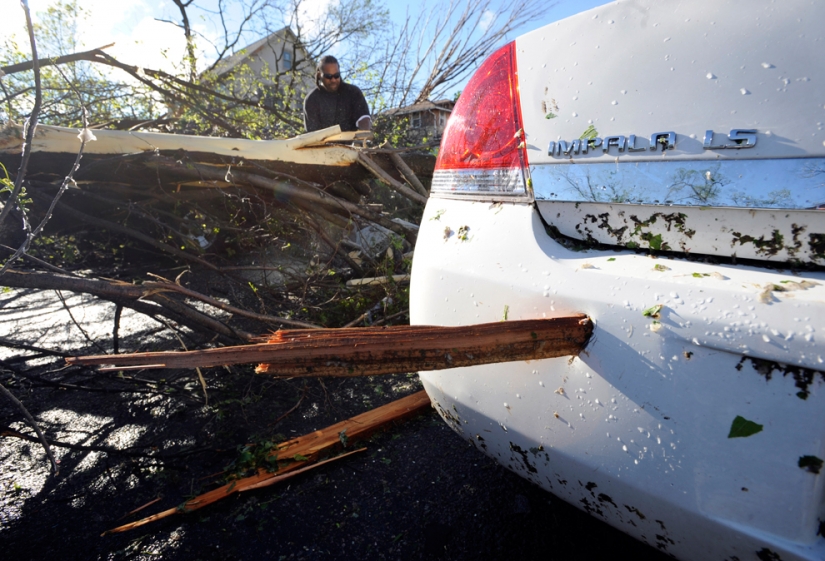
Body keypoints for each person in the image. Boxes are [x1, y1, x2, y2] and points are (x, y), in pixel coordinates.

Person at [303, 55, 371, 133]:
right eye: (328, 76)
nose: (333, 80)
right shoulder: (311, 100)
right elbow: (312, 134)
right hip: (323, 144)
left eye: (336, 75)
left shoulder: (352, 92)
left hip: (352, 144)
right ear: (319, 75)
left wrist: (364, 134)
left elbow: (363, 118)